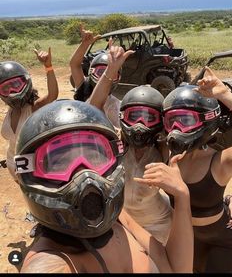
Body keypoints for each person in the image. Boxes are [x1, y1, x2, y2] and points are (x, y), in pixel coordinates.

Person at [14, 99, 193, 273]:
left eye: (95, 156)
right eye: (59, 162)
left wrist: (182, 196)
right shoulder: (51, 263)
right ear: (30, 172)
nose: (85, 176)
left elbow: (176, 268)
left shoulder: (119, 219)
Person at [135, 66, 232, 273]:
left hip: (223, 241)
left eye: (186, 120)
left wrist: (225, 95)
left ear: (207, 120)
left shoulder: (221, 160)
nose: (177, 129)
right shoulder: (167, 153)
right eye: (172, 121)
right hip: (186, 239)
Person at [89, 48, 172, 245]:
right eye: (133, 116)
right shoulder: (115, 141)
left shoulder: (165, 148)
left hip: (158, 223)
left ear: (160, 122)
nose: (140, 124)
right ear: (122, 117)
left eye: (149, 117)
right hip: (120, 221)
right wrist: (112, 69)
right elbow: (93, 109)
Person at [0, 47, 58, 184]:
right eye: (5, 88)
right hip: (14, 166)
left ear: (26, 82)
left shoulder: (33, 108)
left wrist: (48, 67)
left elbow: (52, 95)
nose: (12, 91)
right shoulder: (10, 111)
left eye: (16, 85)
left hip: (34, 169)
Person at [69, 25, 130, 128]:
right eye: (100, 71)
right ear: (91, 72)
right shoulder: (83, 87)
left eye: (110, 72)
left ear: (118, 78)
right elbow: (74, 64)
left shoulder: (115, 105)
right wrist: (85, 44)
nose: (104, 77)